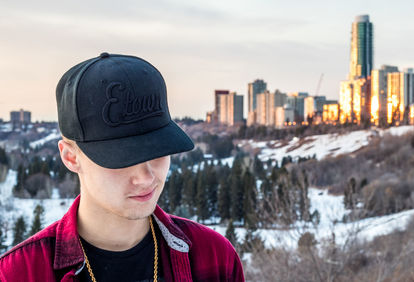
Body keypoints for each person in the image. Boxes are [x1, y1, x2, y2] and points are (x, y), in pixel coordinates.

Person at [0, 53, 244, 281]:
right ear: (71, 158)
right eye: (122, 158)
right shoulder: (21, 273)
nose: (145, 177)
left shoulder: (214, 257)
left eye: (158, 152)